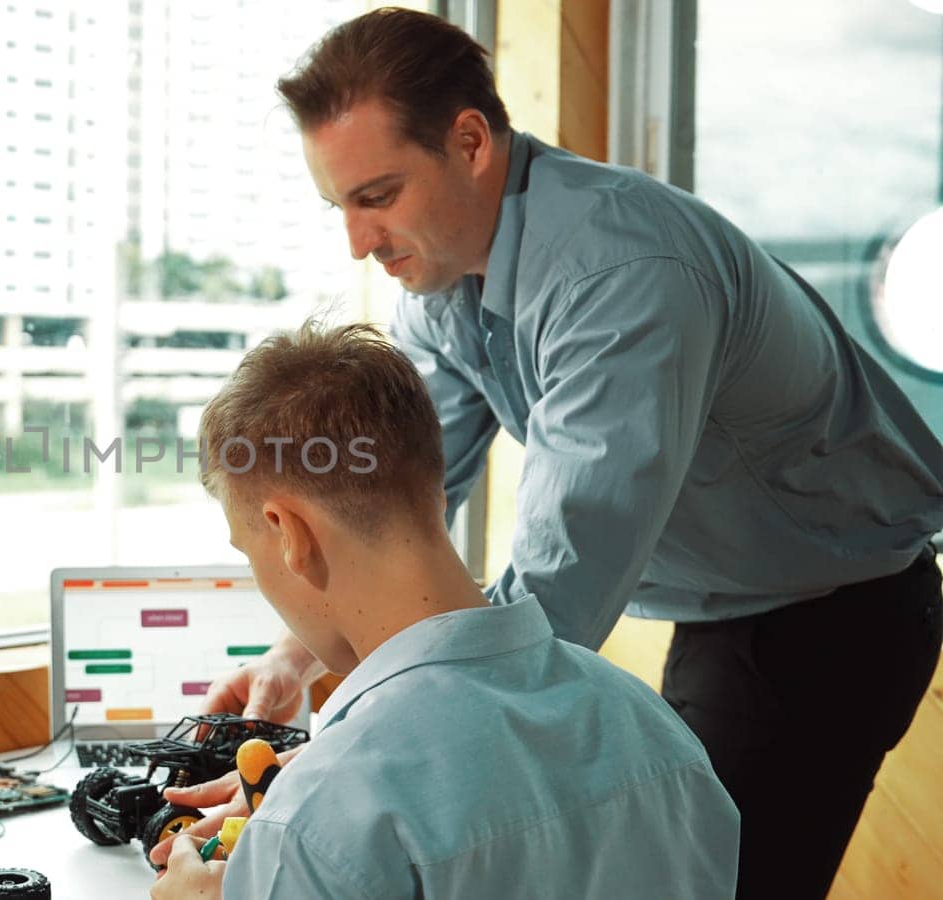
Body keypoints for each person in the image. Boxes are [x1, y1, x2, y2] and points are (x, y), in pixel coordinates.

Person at [150, 9, 943, 899]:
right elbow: (383, 501)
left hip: (835, 618)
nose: (358, 243)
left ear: (472, 141)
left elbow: (560, 583)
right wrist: (294, 658)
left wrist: (329, 786)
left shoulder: (621, 275)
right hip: (720, 610)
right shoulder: (442, 280)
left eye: (378, 196)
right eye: (340, 207)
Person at [148, 320, 739, 900]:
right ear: (428, 484)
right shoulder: (659, 733)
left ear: (288, 534)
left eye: (248, 551)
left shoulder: (317, 819)